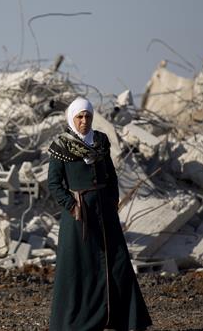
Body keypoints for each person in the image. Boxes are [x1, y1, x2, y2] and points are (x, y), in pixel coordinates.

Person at [48, 97, 152, 331]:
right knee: (80, 269)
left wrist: (112, 199)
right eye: (80, 117)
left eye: (88, 116)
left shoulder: (101, 141)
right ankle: (76, 323)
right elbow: (54, 183)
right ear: (72, 118)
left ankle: (124, 320)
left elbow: (111, 175)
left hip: (105, 214)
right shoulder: (60, 146)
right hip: (79, 218)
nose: (84, 121)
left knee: (117, 263)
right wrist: (72, 206)